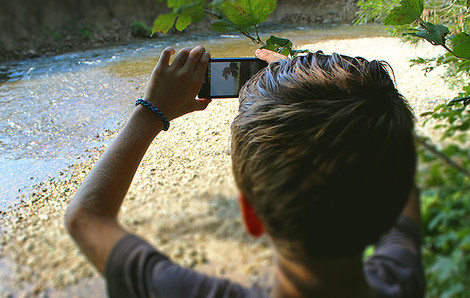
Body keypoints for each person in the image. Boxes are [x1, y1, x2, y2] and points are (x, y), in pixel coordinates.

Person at [65, 45, 425, 297]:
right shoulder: (400, 278)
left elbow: (84, 216)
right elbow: (397, 180)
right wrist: (317, 88)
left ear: (251, 216)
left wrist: (151, 111)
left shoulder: (177, 292)